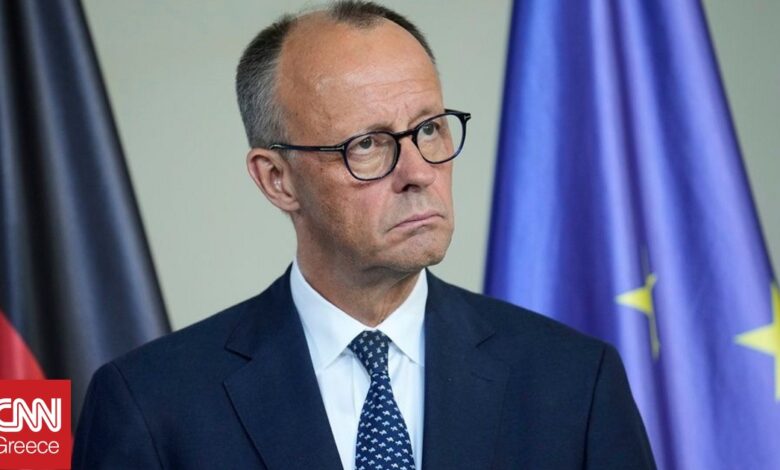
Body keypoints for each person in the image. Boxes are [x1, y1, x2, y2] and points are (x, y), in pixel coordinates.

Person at [73, 1, 655, 469]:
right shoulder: (152, 404)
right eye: (368, 144)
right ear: (277, 180)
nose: (419, 172)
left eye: (429, 129)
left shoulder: (574, 382)